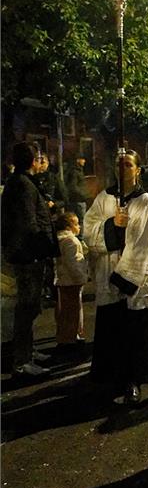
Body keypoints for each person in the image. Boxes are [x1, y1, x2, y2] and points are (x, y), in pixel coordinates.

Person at [84, 150, 148, 406]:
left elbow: (143, 245)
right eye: (119, 164)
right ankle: (110, 376)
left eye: (128, 164)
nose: (123, 169)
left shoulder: (144, 202)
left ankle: (133, 381)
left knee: (134, 330)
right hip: (109, 270)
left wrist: (125, 278)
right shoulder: (104, 198)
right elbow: (88, 231)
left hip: (133, 278)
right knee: (112, 329)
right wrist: (112, 225)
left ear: (137, 170)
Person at [1, 143, 57, 376]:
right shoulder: (23, 184)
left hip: (26, 253)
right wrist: (39, 249)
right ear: (33, 160)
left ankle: (28, 352)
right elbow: (28, 223)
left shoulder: (22, 182)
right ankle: (22, 361)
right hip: (28, 256)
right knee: (26, 307)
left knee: (31, 307)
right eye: (39, 156)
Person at [53, 211, 89, 350]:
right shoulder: (70, 241)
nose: (79, 226)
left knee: (65, 311)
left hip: (64, 280)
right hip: (71, 281)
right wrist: (81, 277)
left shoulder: (60, 240)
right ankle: (70, 338)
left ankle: (68, 336)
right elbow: (73, 262)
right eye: (77, 223)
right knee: (72, 311)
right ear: (69, 226)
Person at [66, 154, 90, 230]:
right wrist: (83, 195)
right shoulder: (75, 172)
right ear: (78, 160)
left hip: (77, 200)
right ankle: (80, 238)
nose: (84, 161)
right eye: (82, 159)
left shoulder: (78, 171)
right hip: (78, 200)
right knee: (80, 220)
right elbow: (73, 187)